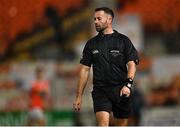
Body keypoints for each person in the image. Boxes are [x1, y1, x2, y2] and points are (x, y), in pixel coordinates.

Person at [73, 7, 139, 126]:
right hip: (100, 91)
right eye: (94, 19)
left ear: (109, 19)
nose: (95, 22)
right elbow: (85, 70)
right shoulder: (91, 44)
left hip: (121, 90)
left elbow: (132, 65)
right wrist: (79, 96)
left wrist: (128, 86)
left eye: (99, 18)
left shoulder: (123, 41)